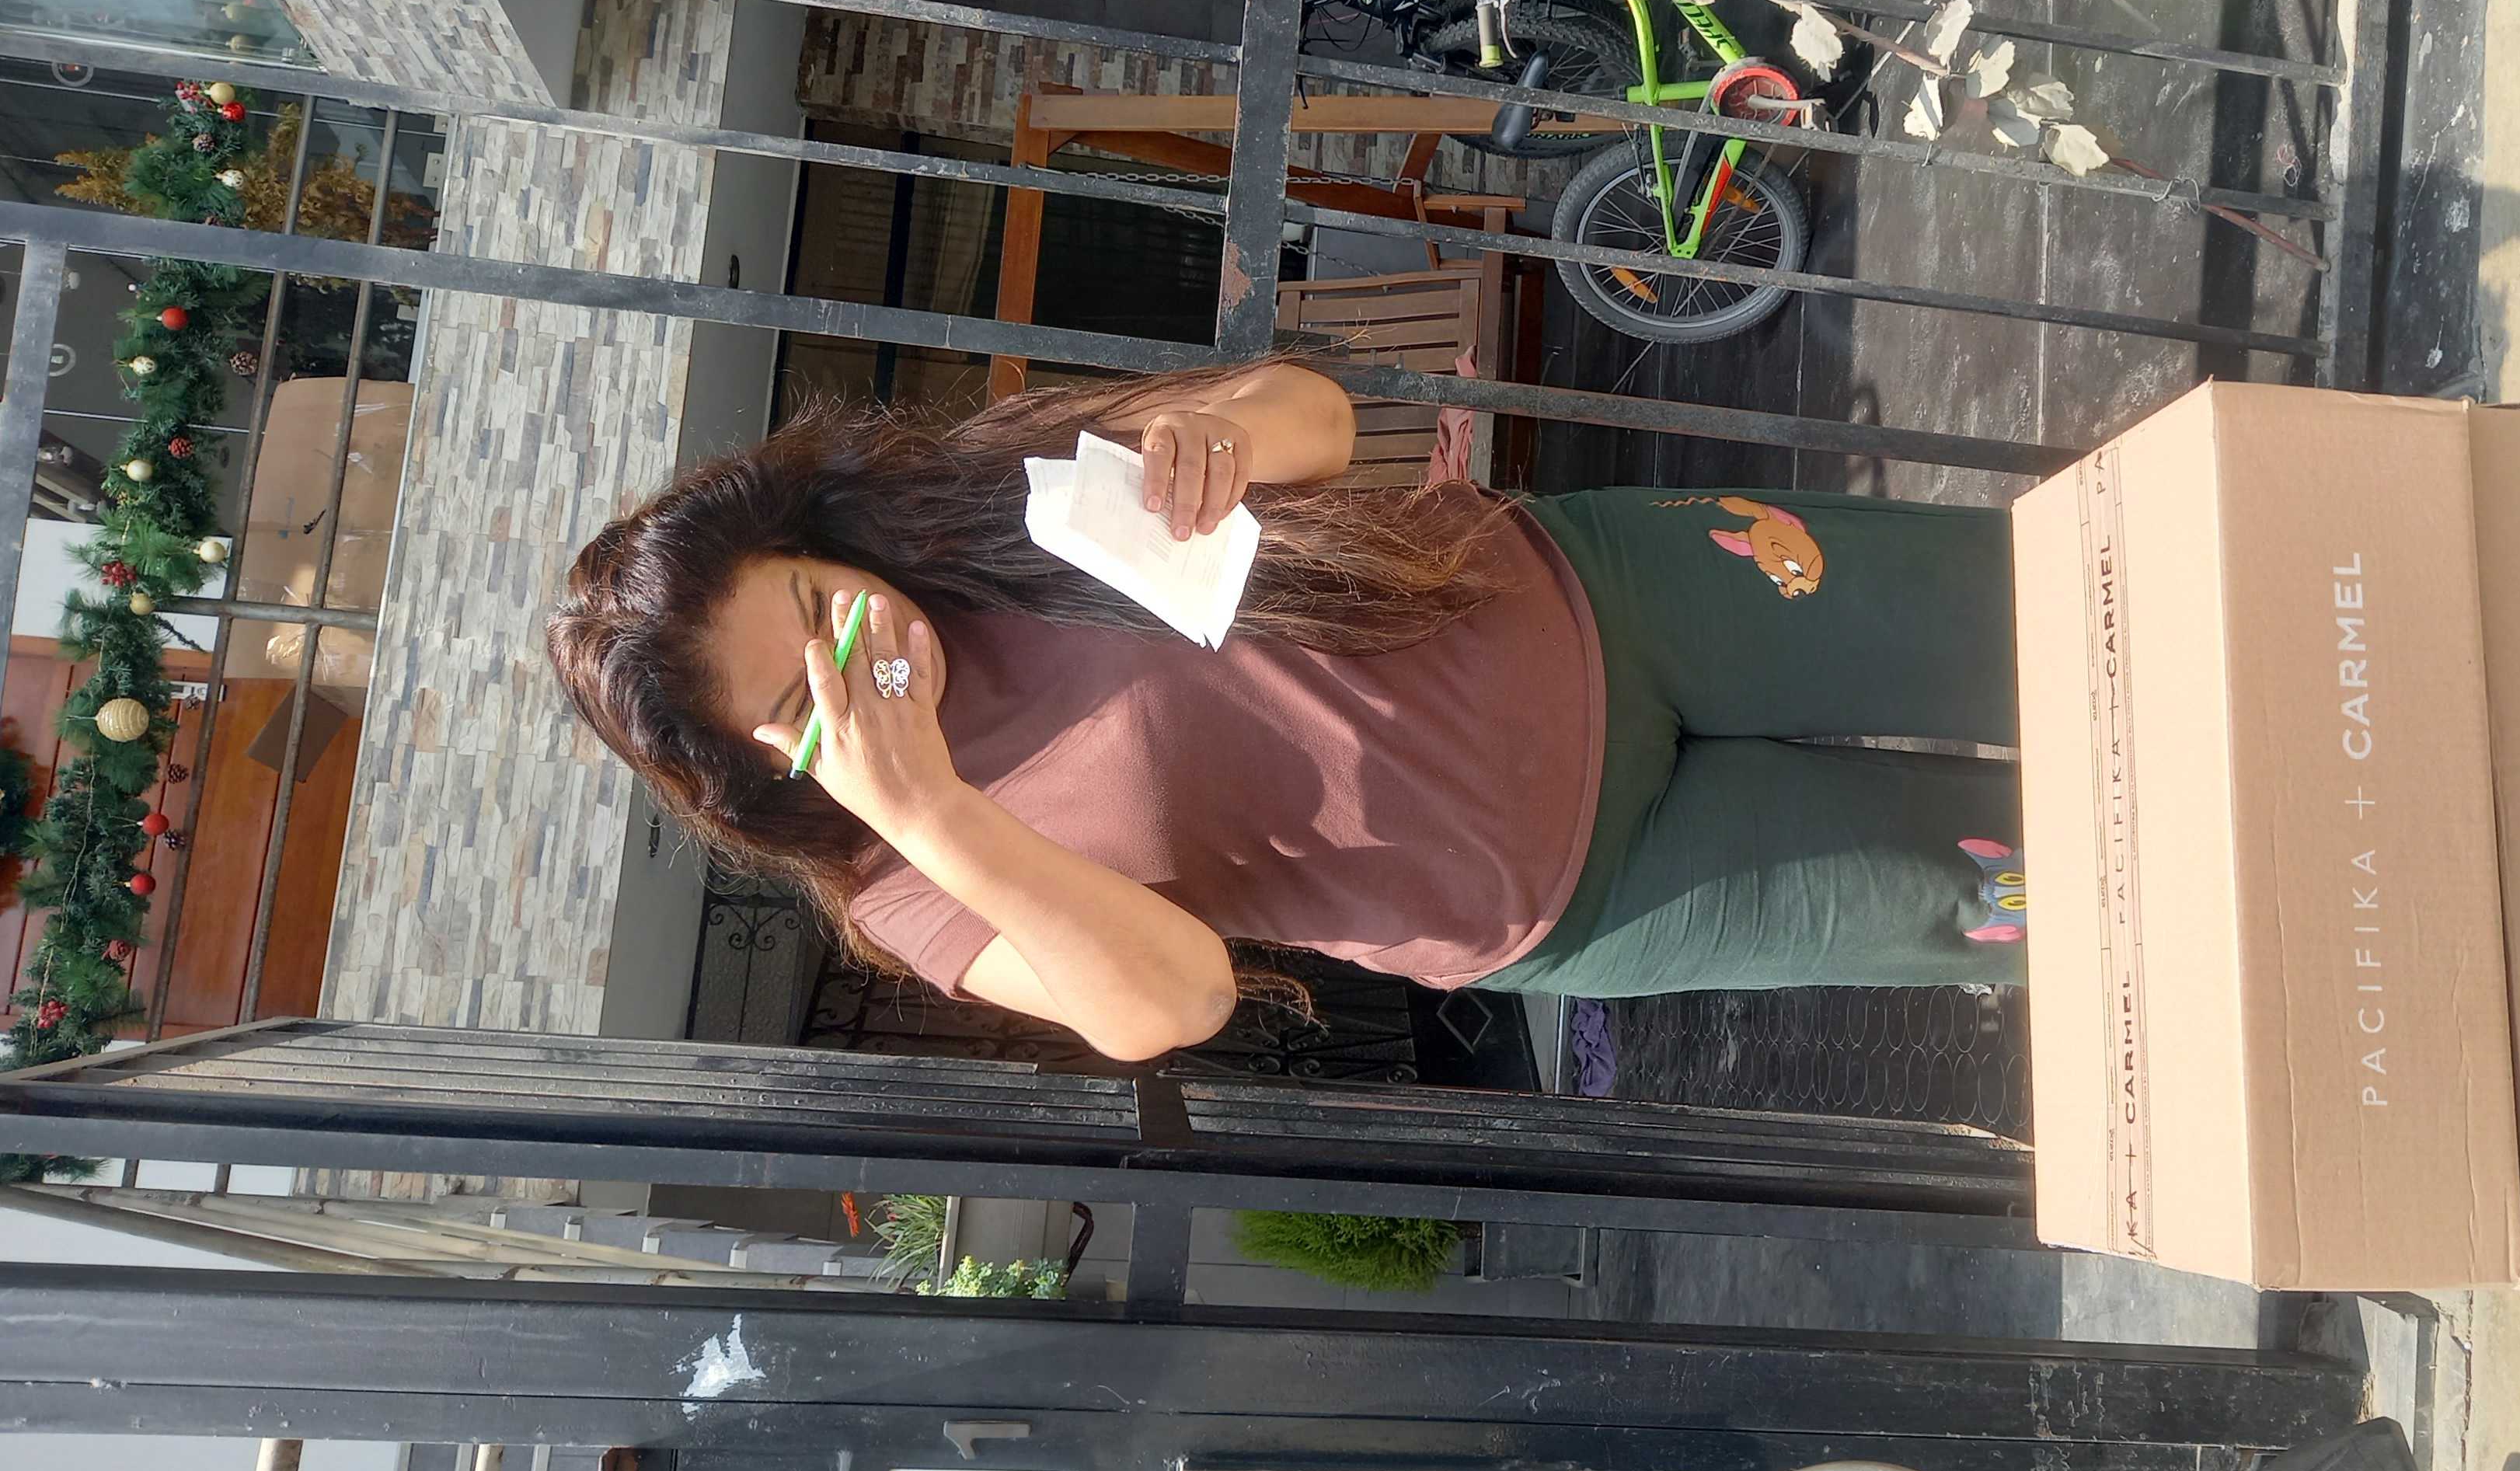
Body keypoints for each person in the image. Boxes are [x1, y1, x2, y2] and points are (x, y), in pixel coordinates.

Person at [549, 358, 2025, 1065]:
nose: (859, 652)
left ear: (811, 541)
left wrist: (1222, 436)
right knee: (2022, 894)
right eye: (800, 695)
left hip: (1604, 593)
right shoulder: (909, 887)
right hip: (1592, 882)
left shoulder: (985, 494)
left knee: (2031, 613)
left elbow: (1317, 418)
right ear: (761, 771)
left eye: (820, 603)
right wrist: (929, 807)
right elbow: (1173, 1002)